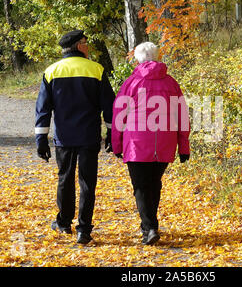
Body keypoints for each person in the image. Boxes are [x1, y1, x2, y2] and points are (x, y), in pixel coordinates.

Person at [35, 30, 115, 244]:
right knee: (87, 182)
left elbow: (43, 109)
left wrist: (41, 139)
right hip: (89, 136)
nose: (88, 46)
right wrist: (112, 134)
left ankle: (63, 223)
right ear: (79, 46)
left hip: (64, 137)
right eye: (86, 43)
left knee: (65, 179)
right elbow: (109, 106)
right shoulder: (96, 70)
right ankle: (84, 229)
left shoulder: (51, 71)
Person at [111, 42, 190, 245]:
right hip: (164, 141)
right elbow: (182, 116)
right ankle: (150, 225)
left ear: (137, 59)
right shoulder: (171, 83)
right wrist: (184, 147)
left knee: (140, 186)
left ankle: (149, 228)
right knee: (154, 184)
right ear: (157, 57)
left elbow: (119, 116)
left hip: (136, 142)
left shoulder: (131, 83)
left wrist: (117, 145)